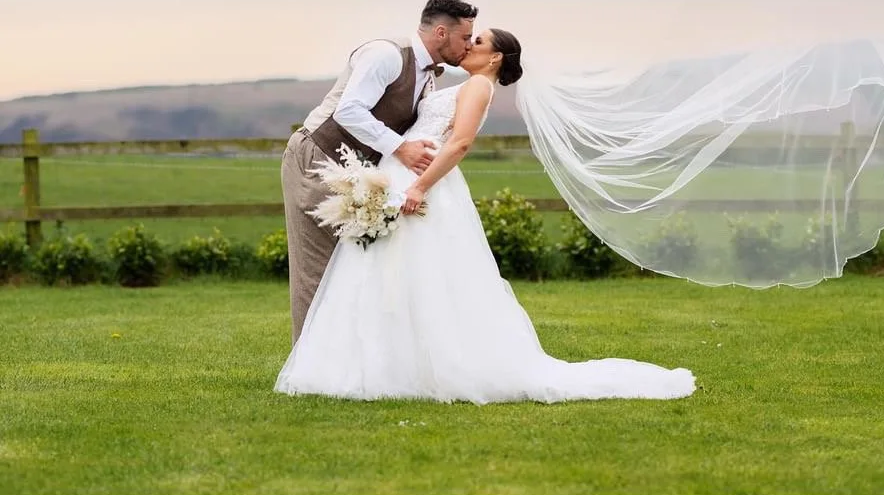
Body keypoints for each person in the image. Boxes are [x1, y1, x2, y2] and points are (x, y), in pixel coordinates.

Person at [275, 28, 696, 404]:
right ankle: (378, 360)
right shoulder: (464, 82)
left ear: (494, 58)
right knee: (388, 273)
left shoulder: (478, 85)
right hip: (402, 173)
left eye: (478, 41)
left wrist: (418, 187)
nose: (469, 45)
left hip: (421, 181)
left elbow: (458, 145)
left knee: (413, 274)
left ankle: (404, 365)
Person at [281, 0, 477, 345]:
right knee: (321, 266)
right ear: (442, 34)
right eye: (465, 37)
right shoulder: (386, 54)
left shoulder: (430, 77)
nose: (469, 45)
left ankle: (357, 359)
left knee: (361, 266)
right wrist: (401, 148)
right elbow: (349, 111)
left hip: (363, 169)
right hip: (319, 156)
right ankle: (311, 362)